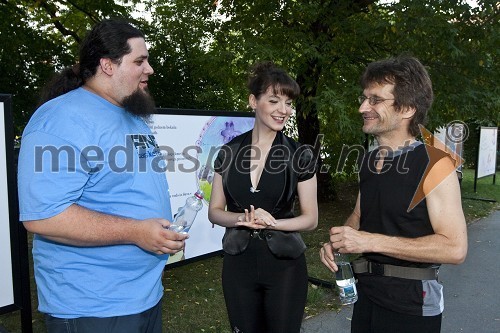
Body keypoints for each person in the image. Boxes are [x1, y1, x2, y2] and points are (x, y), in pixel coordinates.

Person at [17, 19, 188, 333]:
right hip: (91, 307)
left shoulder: (130, 114)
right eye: (140, 61)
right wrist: (136, 231)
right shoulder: (60, 120)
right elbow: (44, 217)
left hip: (144, 296)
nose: (149, 69)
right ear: (108, 65)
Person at [320, 56, 468, 333]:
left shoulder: (435, 164)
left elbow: (455, 248)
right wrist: (340, 242)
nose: (363, 107)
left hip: (411, 305)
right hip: (367, 295)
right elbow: (360, 215)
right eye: (364, 98)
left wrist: (369, 241)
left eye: (375, 100)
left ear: (407, 108)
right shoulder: (369, 160)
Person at [208, 61, 318, 333]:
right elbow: (214, 211)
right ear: (253, 101)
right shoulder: (228, 152)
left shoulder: (300, 154)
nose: (284, 110)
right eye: (274, 101)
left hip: (285, 267)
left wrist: (272, 223)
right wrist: (242, 219)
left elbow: (311, 219)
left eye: (289, 103)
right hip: (238, 264)